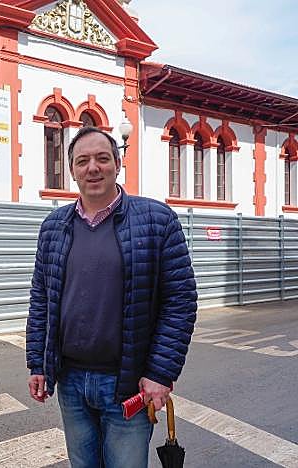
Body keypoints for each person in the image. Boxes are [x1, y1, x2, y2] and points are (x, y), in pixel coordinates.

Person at [25, 126, 197, 468]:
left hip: (128, 384)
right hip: (71, 382)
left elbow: (180, 301)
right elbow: (42, 299)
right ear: (72, 170)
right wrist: (38, 364)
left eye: (102, 158)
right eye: (82, 161)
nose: (93, 168)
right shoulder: (53, 226)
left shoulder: (157, 221)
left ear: (118, 164)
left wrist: (160, 373)